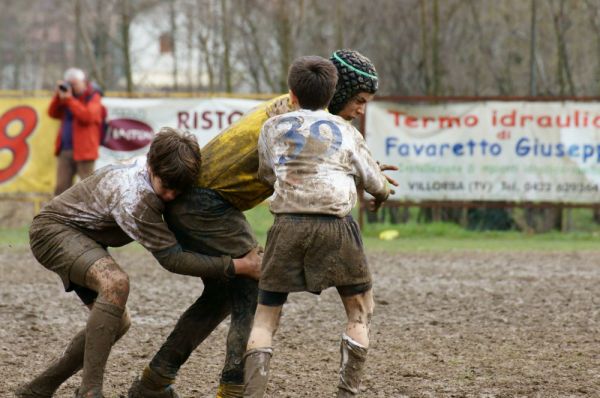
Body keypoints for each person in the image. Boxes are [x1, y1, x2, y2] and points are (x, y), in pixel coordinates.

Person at [128, 49, 393, 398]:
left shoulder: (293, 110)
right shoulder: (295, 118)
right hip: (207, 202)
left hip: (202, 199)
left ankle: (155, 380)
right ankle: (234, 387)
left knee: (223, 295)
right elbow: (308, 172)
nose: (361, 110)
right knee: (253, 280)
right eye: (358, 100)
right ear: (335, 92)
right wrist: (368, 179)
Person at [15, 128, 261, 398]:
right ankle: (90, 393)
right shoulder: (137, 198)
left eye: (179, 190)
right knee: (115, 284)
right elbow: (172, 259)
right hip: (53, 232)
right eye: (166, 187)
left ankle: (39, 389)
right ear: (152, 166)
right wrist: (237, 266)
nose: (170, 196)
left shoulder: (160, 170)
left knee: (117, 323)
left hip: (85, 236)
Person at [242, 55, 392, 398]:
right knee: (360, 311)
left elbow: (267, 173)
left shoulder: (272, 127)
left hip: (286, 226)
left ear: (292, 94)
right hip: (336, 228)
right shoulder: (347, 132)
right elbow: (376, 183)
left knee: (265, 318)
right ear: (333, 93)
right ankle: (346, 391)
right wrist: (381, 194)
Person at [48, 67, 105, 196]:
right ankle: (59, 215)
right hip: (65, 150)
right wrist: (58, 95)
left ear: (83, 82)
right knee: (61, 188)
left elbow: (88, 116)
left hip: (85, 151)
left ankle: (89, 216)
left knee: (87, 189)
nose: (72, 88)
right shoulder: (68, 98)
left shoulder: (93, 96)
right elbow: (52, 113)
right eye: (69, 84)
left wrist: (69, 100)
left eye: (74, 84)